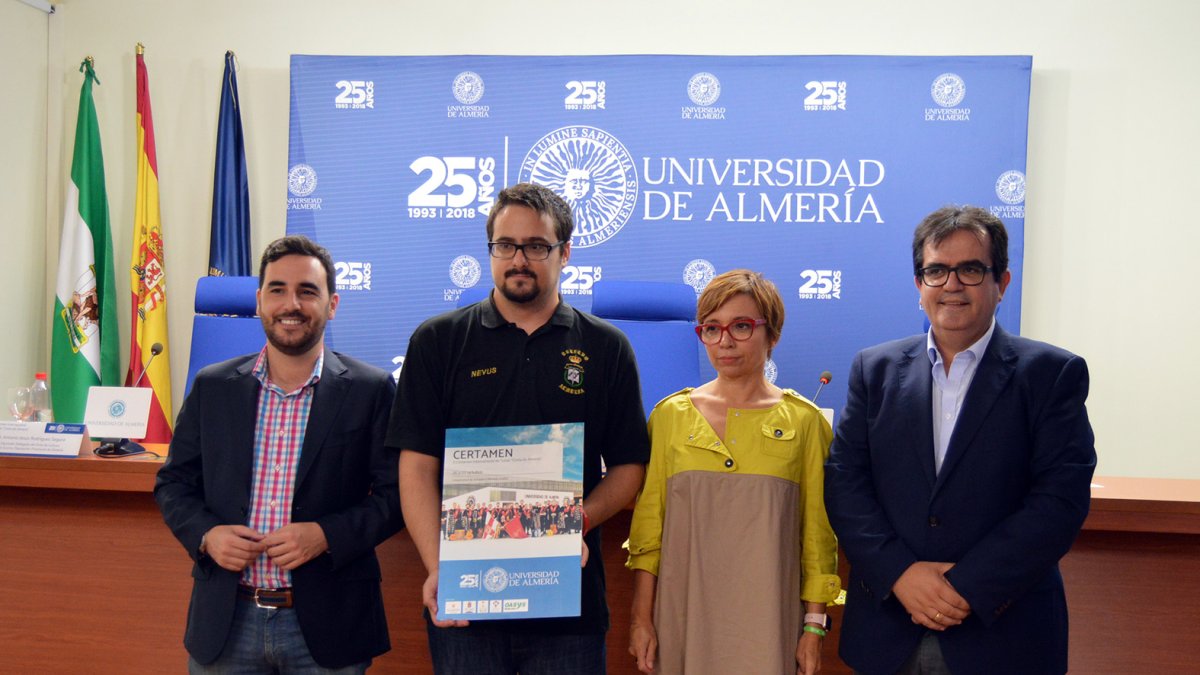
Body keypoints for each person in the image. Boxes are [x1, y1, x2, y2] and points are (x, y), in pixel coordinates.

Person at [389, 182, 650, 674]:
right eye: (505, 245)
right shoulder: (437, 341)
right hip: (467, 603)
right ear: (491, 250)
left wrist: (577, 522)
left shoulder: (606, 347)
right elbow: (417, 468)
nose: (518, 260)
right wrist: (438, 567)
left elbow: (628, 468)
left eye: (536, 247)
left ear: (565, 252)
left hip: (568, 607)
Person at [824, 206, 1096, 674]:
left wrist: (966, 586)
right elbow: (846, 483)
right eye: (936, 270)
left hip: (1004, 634)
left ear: (1001, 283)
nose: (951, 284)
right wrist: (900, 575)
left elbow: (1059, 501)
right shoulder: (875, 369)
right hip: (889, 629)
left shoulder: (1052, 374)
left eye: (970, 269)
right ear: (919, 285)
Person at [155, 235, 402, 673]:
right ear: (258, 301)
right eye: (278, 290)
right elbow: (174, 483)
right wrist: (208, 536)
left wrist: (327, 535)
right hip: (227, 622)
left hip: (329, 626)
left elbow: (396, 496)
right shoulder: (213, 386)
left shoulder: (370, 390)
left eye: (308, 291)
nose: (292, 303)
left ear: (332, 304)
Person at [626, 269, 841, 675]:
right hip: (681, 617)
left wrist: (814, 628)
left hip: (770, 622)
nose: (724, 341)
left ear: (772, 334)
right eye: (711, 328)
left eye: (742, 326)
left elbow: (818, 537)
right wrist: (640, 619)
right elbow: (647, 534)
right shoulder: (670, 416)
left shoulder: (806, 422)